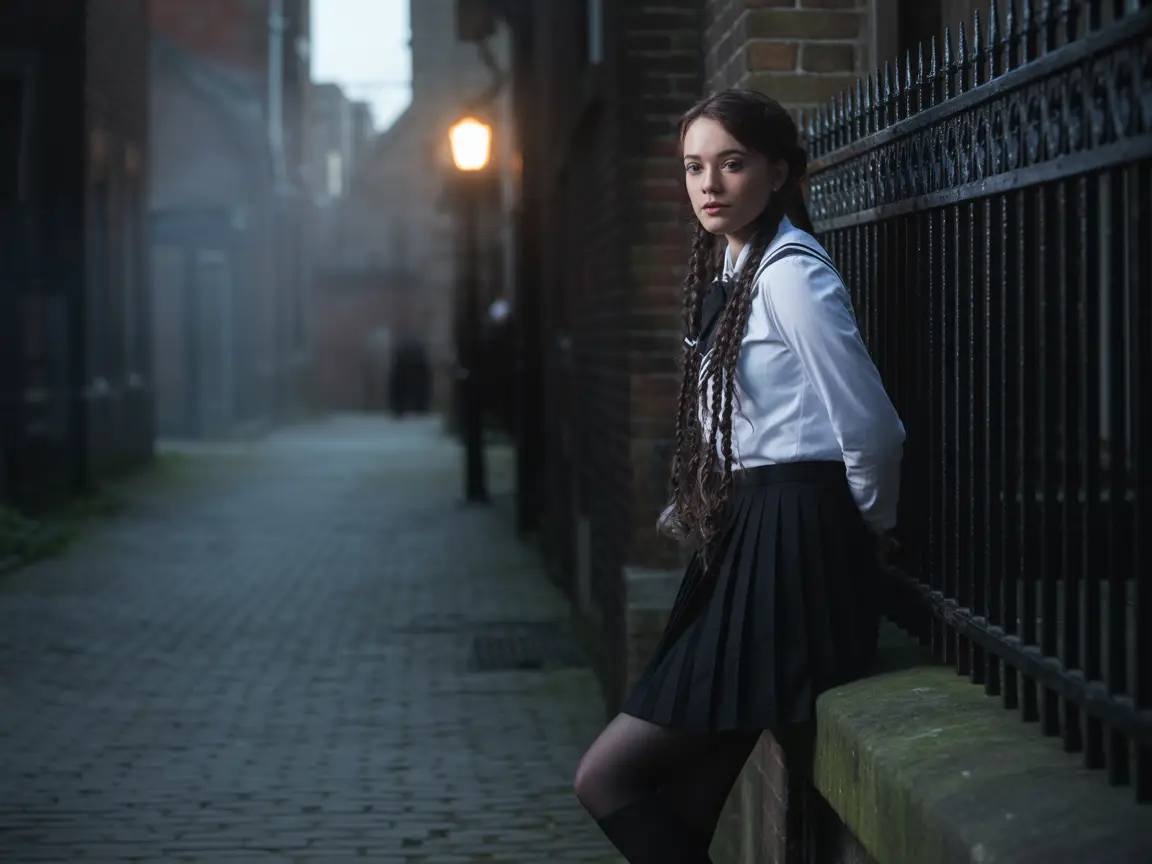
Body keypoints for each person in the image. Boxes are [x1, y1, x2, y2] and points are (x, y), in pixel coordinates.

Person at [573, 89, 906, 863]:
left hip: (794, 549)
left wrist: (866, 530)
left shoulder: (792, 275)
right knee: (687, 813)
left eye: (732, 163)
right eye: (694, 167)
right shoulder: (738, 269)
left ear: (778, 172)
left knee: (605, 778)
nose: (709, 184)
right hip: (751, 541)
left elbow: (872, 428)